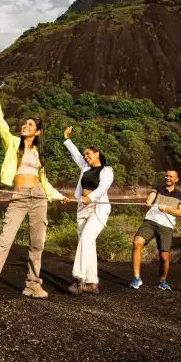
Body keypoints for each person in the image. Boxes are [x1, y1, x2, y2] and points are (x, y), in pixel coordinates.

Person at [0, 86, 68, 301]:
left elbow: (44, 182)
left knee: (37, 244)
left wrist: (58, 195)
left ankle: (33, 285)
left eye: (30, 125)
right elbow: (1, 126)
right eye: (25, 124)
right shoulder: (14, 143)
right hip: (19, 196)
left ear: (37, 132)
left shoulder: (39, 154)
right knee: (5, 241)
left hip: (39, 197)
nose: (25, 126)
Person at [62, 126, 113, 296]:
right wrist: (66, 138)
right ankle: (92, 282)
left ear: (97, 153)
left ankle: (78, 280)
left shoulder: (107, 171)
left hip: (98, 209)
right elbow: (75, 154)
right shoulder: (85, 167)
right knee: (88, 244)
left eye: (88, 154)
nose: (85, 156)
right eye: (85, 155)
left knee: (86, 239)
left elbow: (103, 187)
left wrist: (90, 198)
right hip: (82, 207)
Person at [129, 170, 181, 290]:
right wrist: (148, 202)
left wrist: (167, 209)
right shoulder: (158, 188)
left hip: (166, 226)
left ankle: (162, 281)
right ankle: (136, 278)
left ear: (176, 180)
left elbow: (180, 213)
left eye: (171, 176)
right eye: (166, 175)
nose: (168, 178)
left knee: (164, 257)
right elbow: (151, 197)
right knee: (137, 242)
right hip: (150, 222)